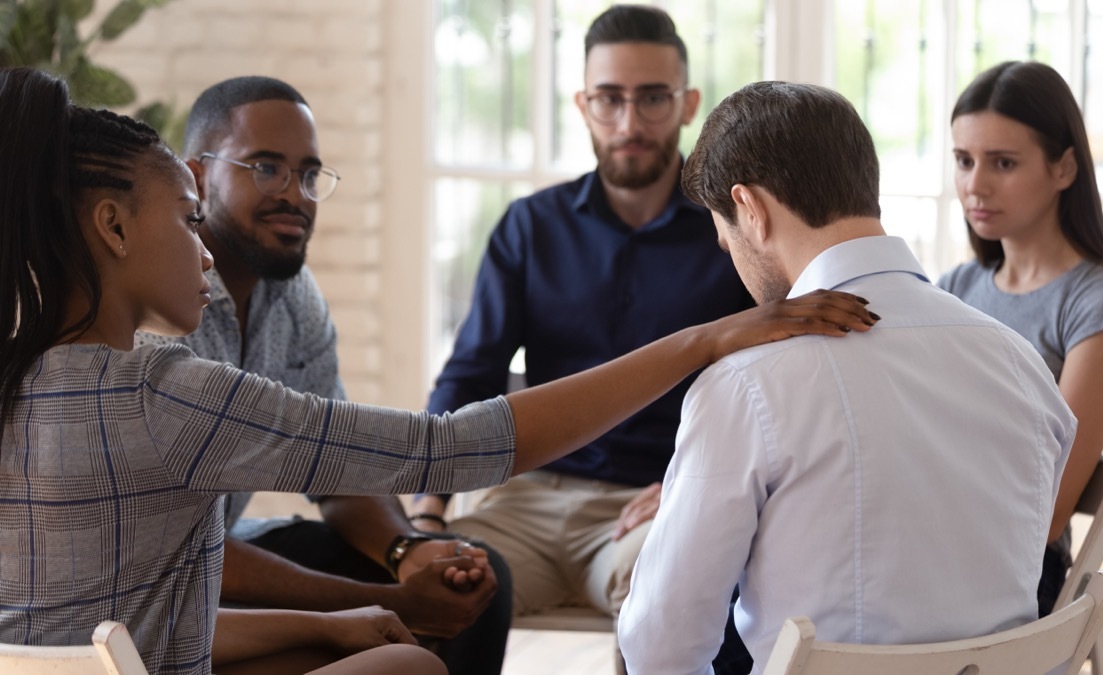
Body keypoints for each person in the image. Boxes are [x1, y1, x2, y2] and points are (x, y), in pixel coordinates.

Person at [0, 67, 875, 675]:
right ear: (113, 228)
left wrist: (337, 614)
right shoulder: (164, 390)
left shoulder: (22, 374)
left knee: (375, 641)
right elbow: (450, 447)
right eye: (185, 219)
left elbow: (124, 632)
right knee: (410, 664)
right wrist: (707, 339)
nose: (197, 245)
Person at [616, 80, 1078, 674]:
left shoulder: (747, 384)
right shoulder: (1021, 365)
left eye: (724, 235)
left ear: (750, 211)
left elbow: (661, 644)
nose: (729, 256)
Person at [133, 75, 509, 675]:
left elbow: (335, 469)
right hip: (158, 590)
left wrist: (406, 550)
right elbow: (174, 549)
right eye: (265, 167)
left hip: (228, 549)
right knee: (400, 629)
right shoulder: (152, 310)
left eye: (308, 174)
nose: (295, 194)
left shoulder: (294, 296)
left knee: (472, 583)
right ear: (197, 177)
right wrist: (386, 600)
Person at [412, 3, 755, 642]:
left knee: (677, 602)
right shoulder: (530, 226)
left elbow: (778, 379)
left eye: (653, 98)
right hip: (526, 501)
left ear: (687, 104)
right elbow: (470, 374)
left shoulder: (733, 233)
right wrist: (428, 514)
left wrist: (698, 484)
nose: (630, 122)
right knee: (430, 593)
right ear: (582, 104)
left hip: (654, 503)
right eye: (609, 99)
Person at [938, 60, 1103, 617]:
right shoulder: (956, 286)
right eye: (964, 161)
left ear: (1064, 168)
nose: (975, 185)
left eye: (1003, 163)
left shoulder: (1096, 306)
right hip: (932, 539)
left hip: (1014, 571)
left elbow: (1046, 513)